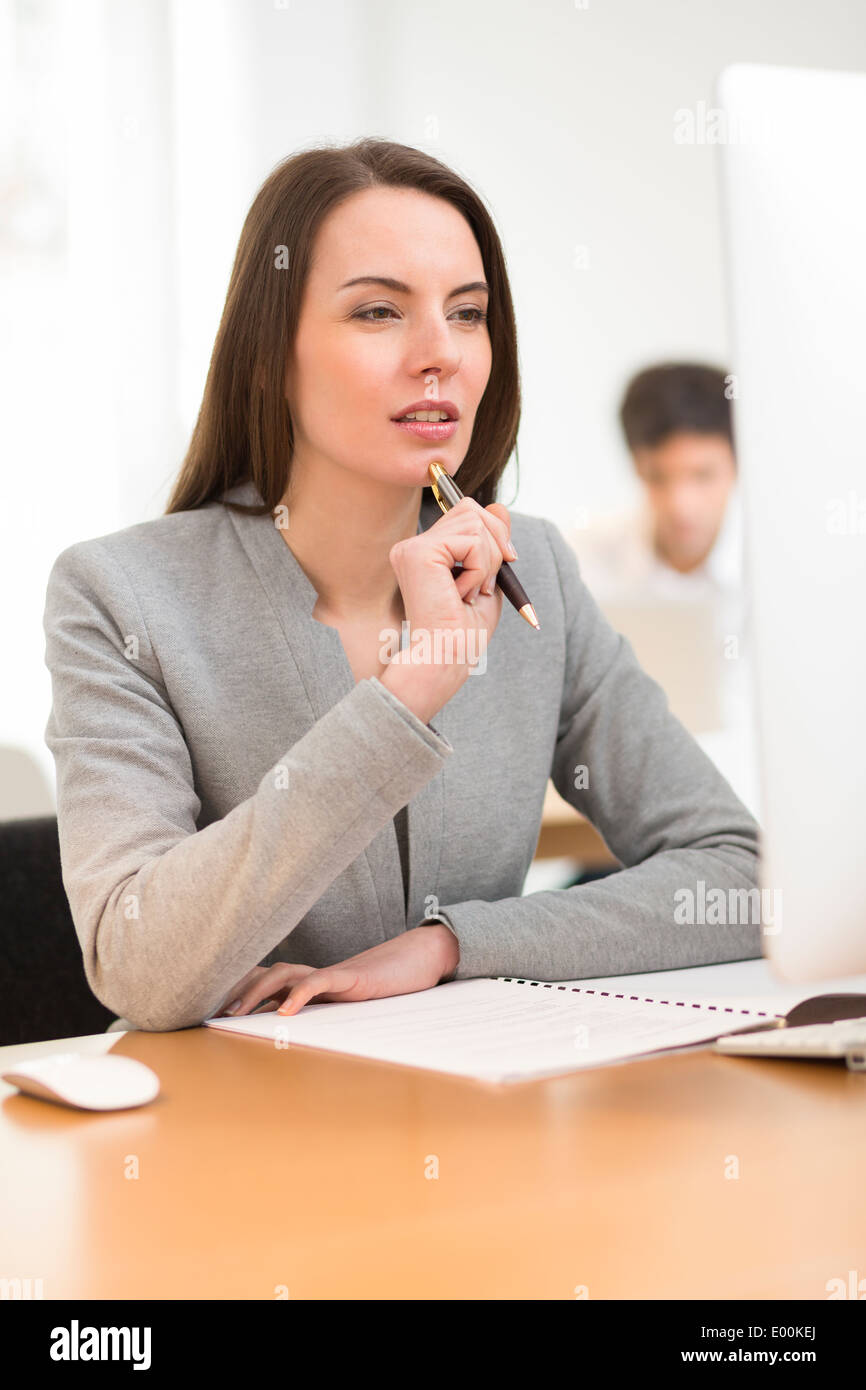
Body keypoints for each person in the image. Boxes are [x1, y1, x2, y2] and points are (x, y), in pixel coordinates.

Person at [42, 139, 763, 1034]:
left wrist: (450, 946)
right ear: (270, 354)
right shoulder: (120, 595)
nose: (440, 356)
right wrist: (412, 688)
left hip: (470, 1116)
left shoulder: (531, 567)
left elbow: (737, 877)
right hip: (232, 1132)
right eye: (379, 312)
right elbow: (141, 969)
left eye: (468, 314)